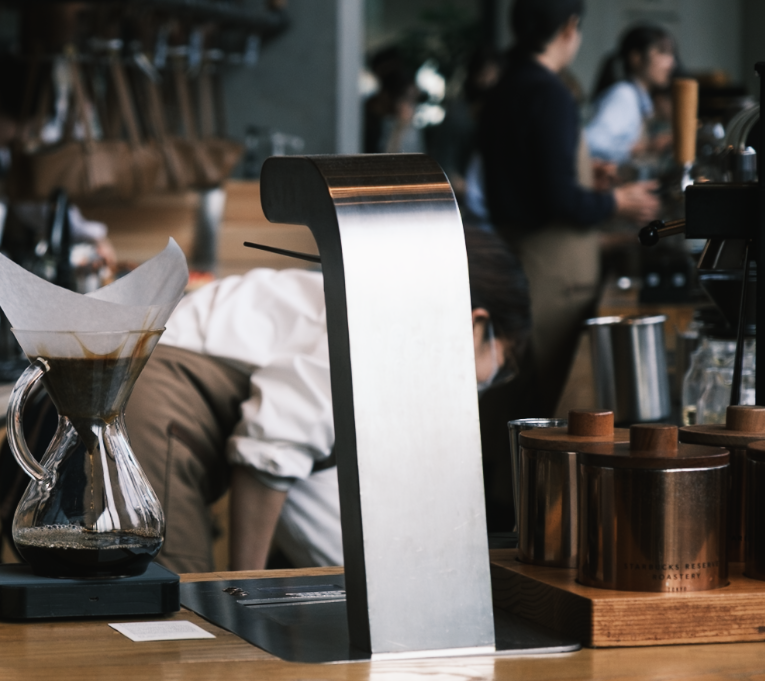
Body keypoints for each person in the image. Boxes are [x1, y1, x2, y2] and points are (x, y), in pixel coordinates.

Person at [122, 228, 531, 573]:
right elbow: (269, 456)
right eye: (503, 361)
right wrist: (243, 588)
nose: (491, 379)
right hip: (155, 397)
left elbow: (305, 483)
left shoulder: (380, 316)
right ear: (477, 325)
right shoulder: (384, 327)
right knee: (180, 612)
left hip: (150, 384)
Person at [477, 0, 660, 416]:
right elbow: (559, 200)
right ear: (568, 29)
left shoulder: (506, 87)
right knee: (549, 406)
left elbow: (529, 177)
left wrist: (584, 175)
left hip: (515, 260)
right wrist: (619, 199)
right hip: (551, 279)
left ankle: (505, 483)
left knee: (514, 403)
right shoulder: (550, 93)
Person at [585, 25, 677, 167]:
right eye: (662, 52)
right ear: (636, 58)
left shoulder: (640, 101)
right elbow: (591, 141)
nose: (671, 63)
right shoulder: (624, 95)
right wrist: (644, 148)